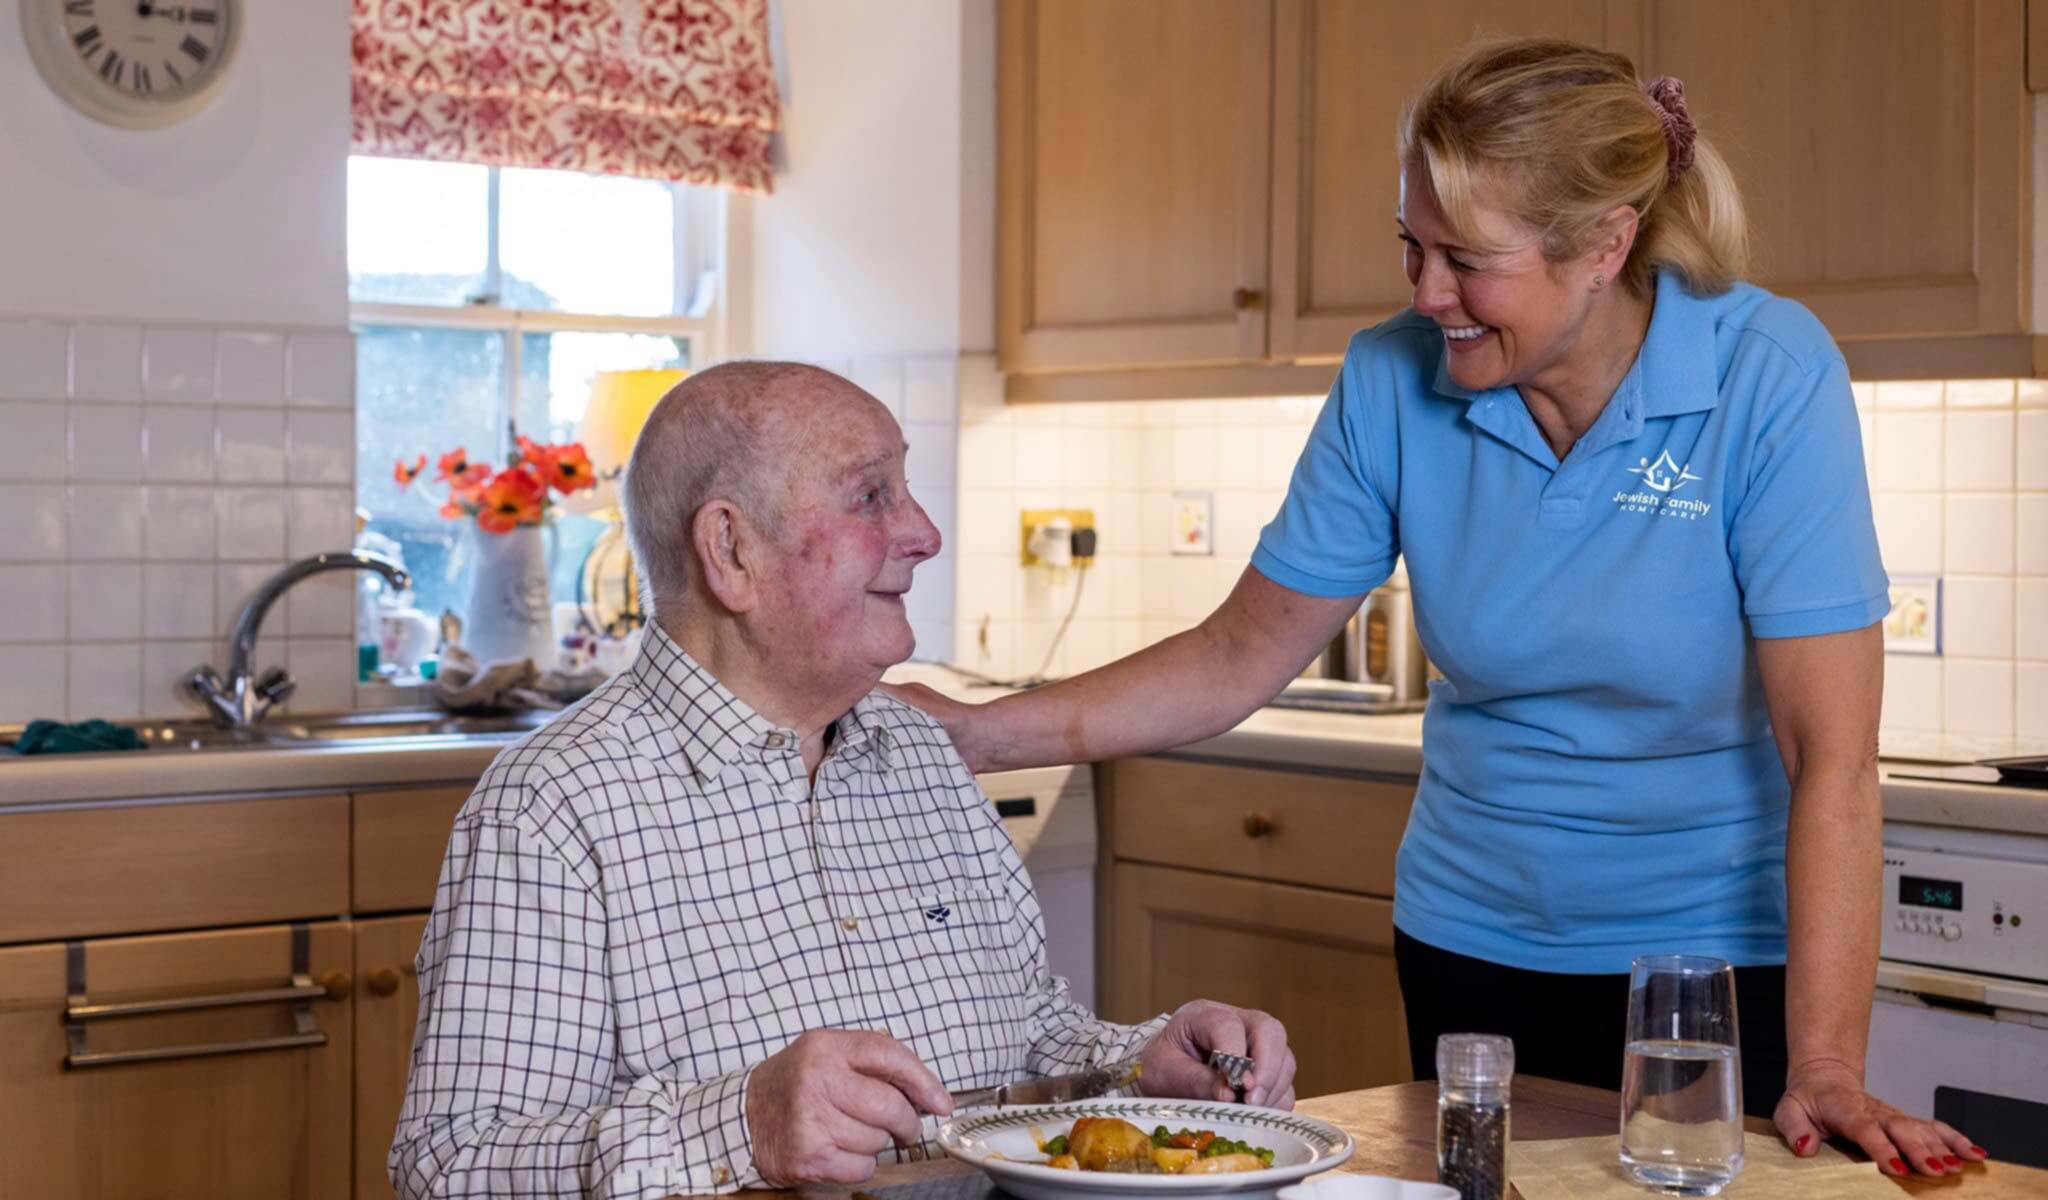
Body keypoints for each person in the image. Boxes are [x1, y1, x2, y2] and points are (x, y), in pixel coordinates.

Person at [889, 39, 1982, 1179]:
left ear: (1604, 245)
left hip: (1704, 971)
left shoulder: (1763, 374)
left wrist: (1822, 1064)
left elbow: (1833, 760)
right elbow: (1234, 655)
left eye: (1465, 259)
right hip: (1470, 940)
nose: (1424, 293)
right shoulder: (1389, 379)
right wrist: (970, 732)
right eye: (1409, 246)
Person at [387, 362, 1297, 1200]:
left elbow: (1028, 1042)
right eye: (873, 496)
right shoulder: (554, 808)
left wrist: (1144, 1066)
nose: (926, 534)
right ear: (732, 551)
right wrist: (740, 1127)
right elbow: (449, 1162)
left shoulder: (918, 751)